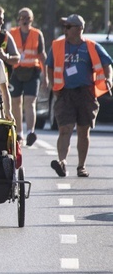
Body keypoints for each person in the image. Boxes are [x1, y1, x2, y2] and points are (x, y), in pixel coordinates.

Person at [46, 14, 113, 178]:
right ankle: (62, 162)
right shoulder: (57, 46)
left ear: (79, 29)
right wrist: (50, 83)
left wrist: (109, 79)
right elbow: (50, 66)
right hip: (64, 93)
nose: (65, 30)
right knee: (64, 129)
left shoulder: (92, 46)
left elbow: (107, 64)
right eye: (65, 27)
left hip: (86, 93)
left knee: (84, 131)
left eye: (68, 27)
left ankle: (81, 166)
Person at [9, 8, 47, 146]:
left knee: (30, 102)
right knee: (15, 103)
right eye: (22, 17)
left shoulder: (37, 34)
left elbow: (42, 56)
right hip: (15, 72)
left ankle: (31, 132)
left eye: (28, 18)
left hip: (33, 71)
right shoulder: (11, 33)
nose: (25, 20)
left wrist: (46, 77)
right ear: (18, 19)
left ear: (32, 19)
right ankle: (19, 134)